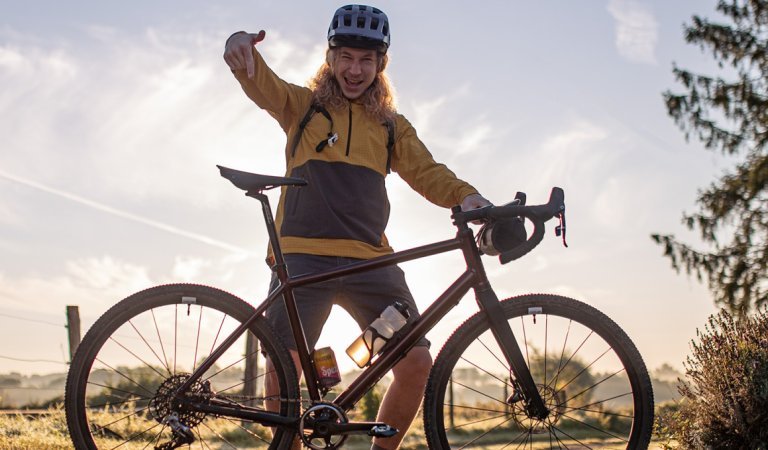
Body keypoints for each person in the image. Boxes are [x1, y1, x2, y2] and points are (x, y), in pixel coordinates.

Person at [223, 5, 491, 449]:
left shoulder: (389, 126)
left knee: (416, 364)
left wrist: (468, 196)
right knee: (285, 365)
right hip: (304, 256)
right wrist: (239, 44)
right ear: (330, 59)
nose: (355, 69)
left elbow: (427, 171)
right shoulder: (303, 107)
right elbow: (262, 84)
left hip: (371, 263)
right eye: (346, 56)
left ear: (381, 65)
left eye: (367, 60)